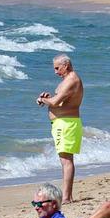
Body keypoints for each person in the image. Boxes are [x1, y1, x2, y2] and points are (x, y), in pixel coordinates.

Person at [38, 53, 84, 202]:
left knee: (66, 160)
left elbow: (56, 102)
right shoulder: (67, 80)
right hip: (63, 123)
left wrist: (43, 100)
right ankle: (67, 196)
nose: (56, 72)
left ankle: (66, 197)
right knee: (65, 159)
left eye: (58, 68)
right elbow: (59, 100)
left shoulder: (72, 80)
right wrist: (46, 98)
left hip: (66, 123)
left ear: (66, 65)